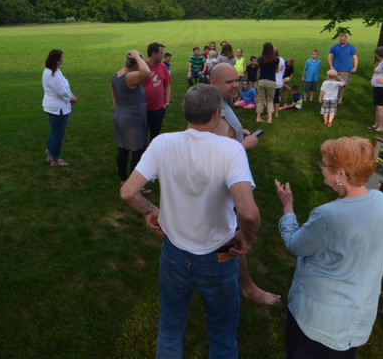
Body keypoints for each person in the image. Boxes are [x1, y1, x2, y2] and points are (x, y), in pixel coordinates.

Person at [120, 84, 262, 358]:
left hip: (173, 255)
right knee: (221, 337)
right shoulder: (231, 150)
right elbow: (248, 213)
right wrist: (247, 238)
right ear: (215, 116)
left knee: (170, 328)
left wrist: (149, 209)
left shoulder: (162, 142)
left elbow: (127, 192)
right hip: (218, 258)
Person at [275, 137, 383, 358]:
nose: (320, 169)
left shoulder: (328, 215)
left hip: (318, 323)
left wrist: (288, 209)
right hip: (356, 319)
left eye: (324, 165)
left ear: (340, 173)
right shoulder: (380, 200)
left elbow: (294, 244)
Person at [210, 64, 279, 305]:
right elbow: (213, 158)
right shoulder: (213, 111)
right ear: (214, 84)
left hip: (232, 177)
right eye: (229, 82)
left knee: (227, 231)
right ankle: (247, 287)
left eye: (237, 80)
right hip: (225, 183)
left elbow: (225, 137)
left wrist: (239, 133)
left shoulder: (224, 103)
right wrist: (243, 145)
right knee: (232, 233)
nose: (236, 85)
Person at [111, 50, 150, 183]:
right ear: (135, 64)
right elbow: (146, 72)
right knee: (137, 151)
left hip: (121, 114)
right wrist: (137, 56)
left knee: (123, 148)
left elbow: (114, 99)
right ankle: (134, 184)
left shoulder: (115, 75)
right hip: (132, 119)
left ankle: (123, 180)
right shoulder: (129, 77)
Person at [42, 49, 77, 167]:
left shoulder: (54, 71)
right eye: (62, 57)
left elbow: (64, 83)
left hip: (54, 107)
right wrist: (71, 99)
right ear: (57, 60)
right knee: (58, 135)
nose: (63, 59)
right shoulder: (52, 74)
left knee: (54, 132)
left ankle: (50, 155)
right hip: (58, 109)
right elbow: (61, 91)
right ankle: (54, 160)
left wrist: (71, 94)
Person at [142, 42, 172, 141]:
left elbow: (167, 85)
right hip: (143, 109)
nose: (163, 55)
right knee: (142, 136)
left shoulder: (162, 66)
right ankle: (142, 155)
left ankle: (154, 153)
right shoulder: (142, 67)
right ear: (154, 54)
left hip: (159, 109)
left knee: (155, 136)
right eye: (161, 53)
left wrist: (167, 102)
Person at [327, 34, 359, 103]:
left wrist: (355, 67)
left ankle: (340, 99)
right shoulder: (335, 47)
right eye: (341, 40)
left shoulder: (351, 47)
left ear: (346, 39)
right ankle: (332, 97)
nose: (342, 41)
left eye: (344, 40)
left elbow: (355, 57)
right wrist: (331, 66)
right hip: (335, 69)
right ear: (339, 40)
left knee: (343, 85)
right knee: (332, 84)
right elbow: (329, 56)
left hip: (346, 69)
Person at [256, 43, 280, 124]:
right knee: (270, 100)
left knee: (260, 100)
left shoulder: (259, 59)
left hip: (261, 81)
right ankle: (269, 119)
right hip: (271, 81)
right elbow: (276, 70)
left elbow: (259, 69)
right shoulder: (276, 59)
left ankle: (258, 117)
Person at [273, 48, 286, 118]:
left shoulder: (271, 59)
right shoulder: (282, 60)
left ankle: (272, 112)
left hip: (272, 81)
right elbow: (283, 71)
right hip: (278, 81)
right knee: (276, 97)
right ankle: (276, 112)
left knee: (271, 97)